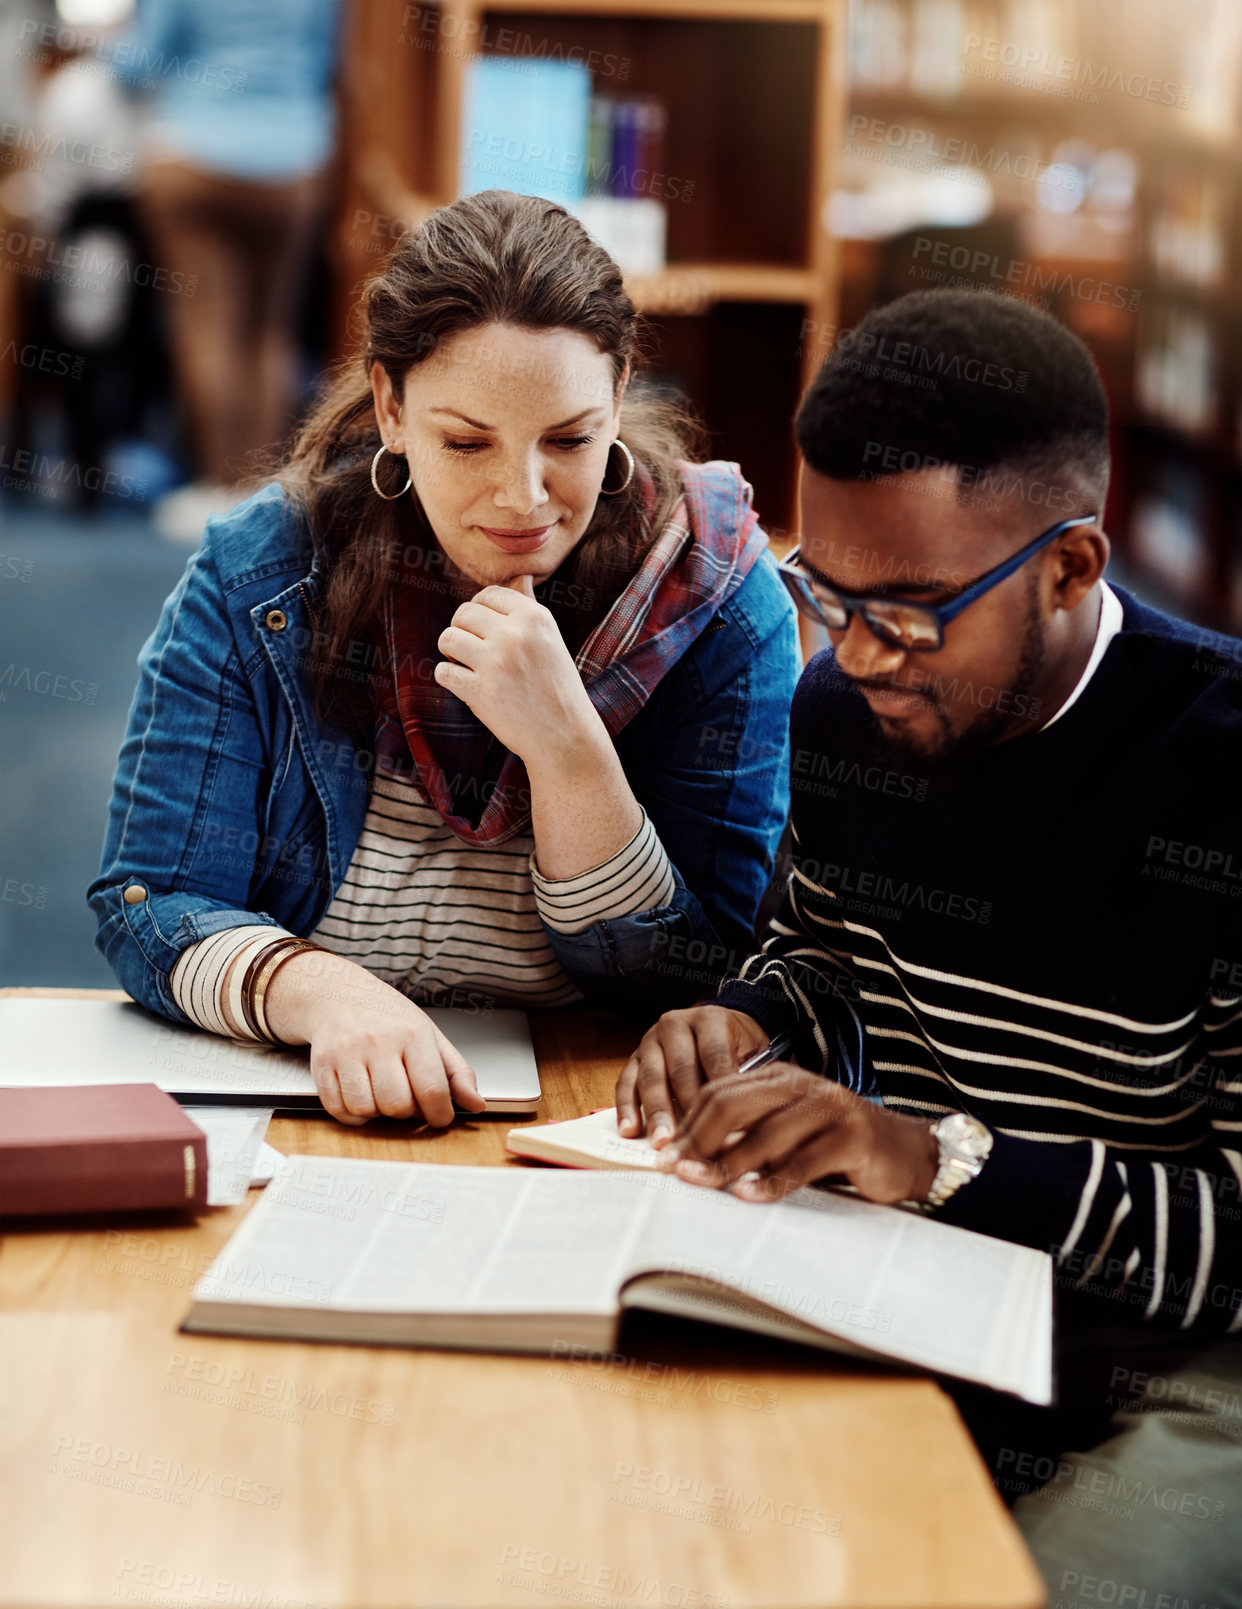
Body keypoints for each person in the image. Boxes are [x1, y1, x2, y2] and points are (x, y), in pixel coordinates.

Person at [616, 289, 1242, 1601]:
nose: (856, 651)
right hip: (926, 1283)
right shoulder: (846, 712)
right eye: (822, 592)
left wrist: (930, 1152)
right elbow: (822, 957)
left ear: (1072, 566)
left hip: (1182, 1359)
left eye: (906, 608)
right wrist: (753, 1016)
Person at [88, 189, 798, 1128]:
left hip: (586, 1116)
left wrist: (570, 754)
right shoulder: (262, 574)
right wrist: (324, 993)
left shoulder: (721, 601)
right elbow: (147, 900)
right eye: (467, 442)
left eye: (572, 438)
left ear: (621, 396)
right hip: (311, 1100)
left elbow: (715, 982)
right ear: (391, 406)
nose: (524, 496)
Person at [110, 0, 342, 541]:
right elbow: (331, 61)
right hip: (294, 159)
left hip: (196, 150)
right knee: (271, 330)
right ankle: (259, 498)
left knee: (208, 328)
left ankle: (217, 487)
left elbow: (137, 63)